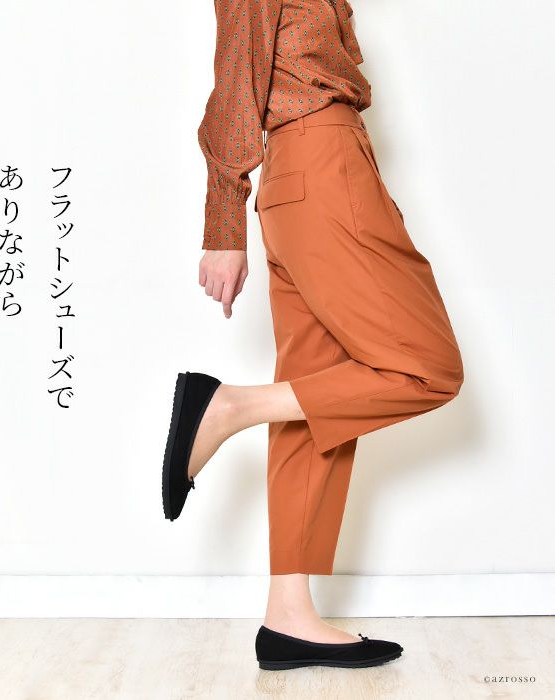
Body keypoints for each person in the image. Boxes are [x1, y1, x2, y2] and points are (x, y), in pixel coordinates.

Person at [162, 0, 463, 671]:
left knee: (315, 394)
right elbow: (237, 73)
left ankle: (288, 615)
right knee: (427, 367)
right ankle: (227, 407)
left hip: (315, 172)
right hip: (320, 167)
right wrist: (222, 223)